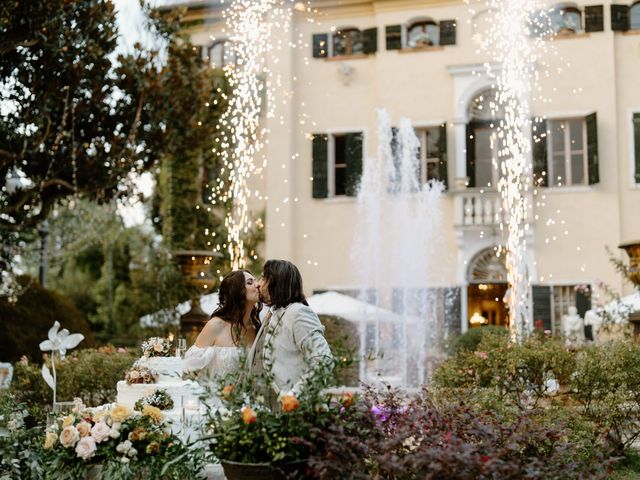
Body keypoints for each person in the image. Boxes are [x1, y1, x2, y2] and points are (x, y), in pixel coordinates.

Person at [247, 259, 333, 402]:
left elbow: (323, 360)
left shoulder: (299, 312)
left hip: (289, 413)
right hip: (262, 412)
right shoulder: (272, 314)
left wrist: (293, 397)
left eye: (263, 277)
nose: (258, 283)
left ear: (275, 281)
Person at [184, 270, 261, 386]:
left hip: (246, 401)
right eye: (250, 282)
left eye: (256, 281)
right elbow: (189, 369)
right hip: (214, 400)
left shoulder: (256, 329)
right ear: (237, 291)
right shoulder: (216, 325)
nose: (258, 284)